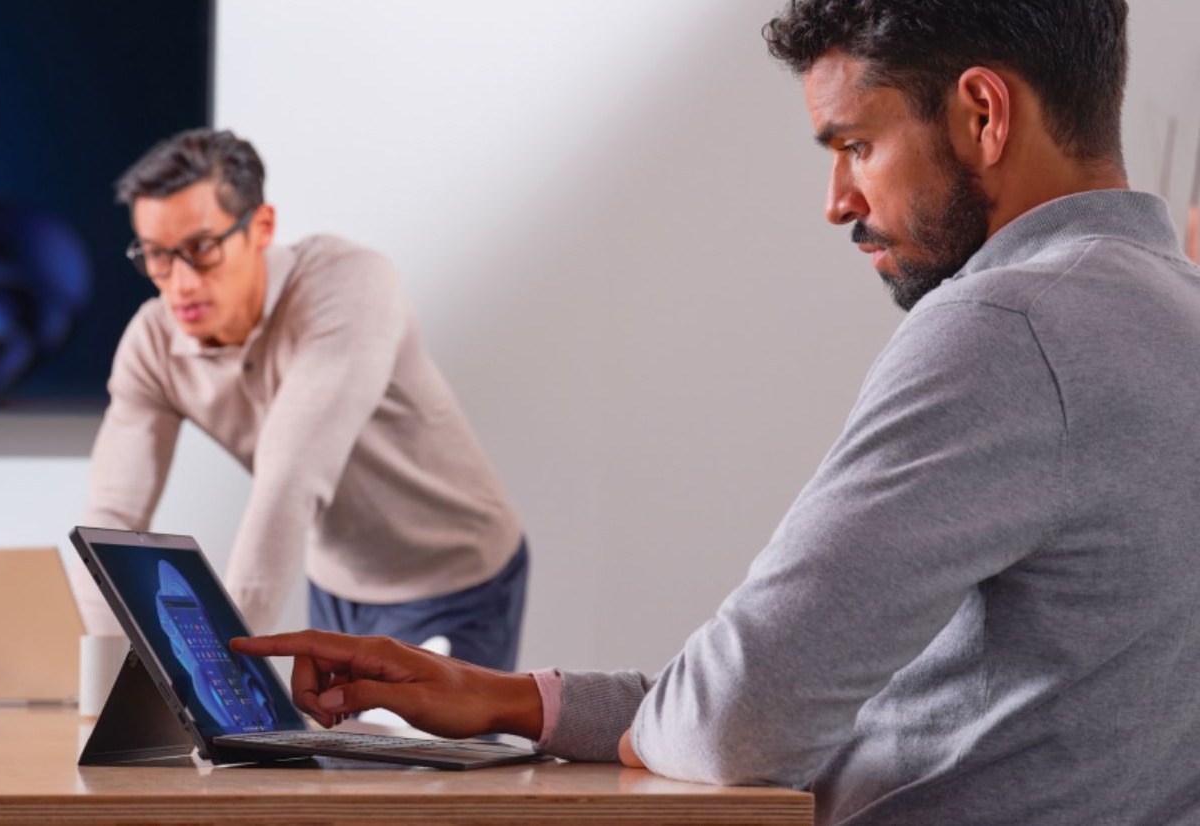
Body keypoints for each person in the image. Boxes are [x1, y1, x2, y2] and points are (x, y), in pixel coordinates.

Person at [234, 1, 1200, 823]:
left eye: (856, 144)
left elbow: (738, 720)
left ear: (983, 114)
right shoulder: (1174, 308)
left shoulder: (1003, 323)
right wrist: (514, 701)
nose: (836, 200)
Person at [72, 128, 529, 673]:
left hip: (454, 578)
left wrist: (220, 674)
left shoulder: (349, 287)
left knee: (412, 760)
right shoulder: (152, 342)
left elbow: (288, 484)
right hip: (336, 583)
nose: (180, 284)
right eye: (157, 256)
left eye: (200, 249)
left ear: (261, 227)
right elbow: (113, 517)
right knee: (334, 757)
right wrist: (108, 669)